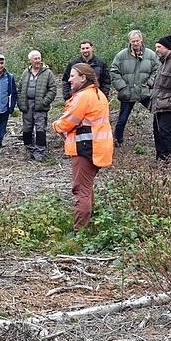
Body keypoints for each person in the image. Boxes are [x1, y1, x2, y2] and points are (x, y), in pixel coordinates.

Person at [53, 63, 114, 232]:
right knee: (86, 187)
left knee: (81, 190)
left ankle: (80, 231)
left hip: (86, 149)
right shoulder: (98, 94)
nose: (69, 79)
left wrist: (55, 126)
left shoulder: (83, 97)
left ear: (83, 78)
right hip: (97, 149)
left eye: (72, 76)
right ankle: (90, 224)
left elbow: (67, 122)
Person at [110, 30, 158, 147]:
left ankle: (163, 138)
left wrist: (150, 83)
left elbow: (157, 70)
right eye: (133, 41)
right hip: (128, 92)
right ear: (129, 42)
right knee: (122, 119)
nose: (135, 43)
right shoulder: (121, 55)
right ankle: (117, 141)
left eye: (137, 41)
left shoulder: (151, 55)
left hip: (145, 91)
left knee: (158, 114)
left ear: (141, 40)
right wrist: (122, 87)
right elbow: (114, 71)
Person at [17, 50, 57, 161]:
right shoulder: (26, 72)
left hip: (40, 106)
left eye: (39, 58)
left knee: (40, 129)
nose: (37, 61)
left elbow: (53, 89)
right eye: (35, 59)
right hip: (27, 105)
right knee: (27, 129)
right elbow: (20, 88)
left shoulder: (47, 73)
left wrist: (44, 102)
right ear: (30, 60)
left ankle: (39, 152)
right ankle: (29, 150)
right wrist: (21, 102)